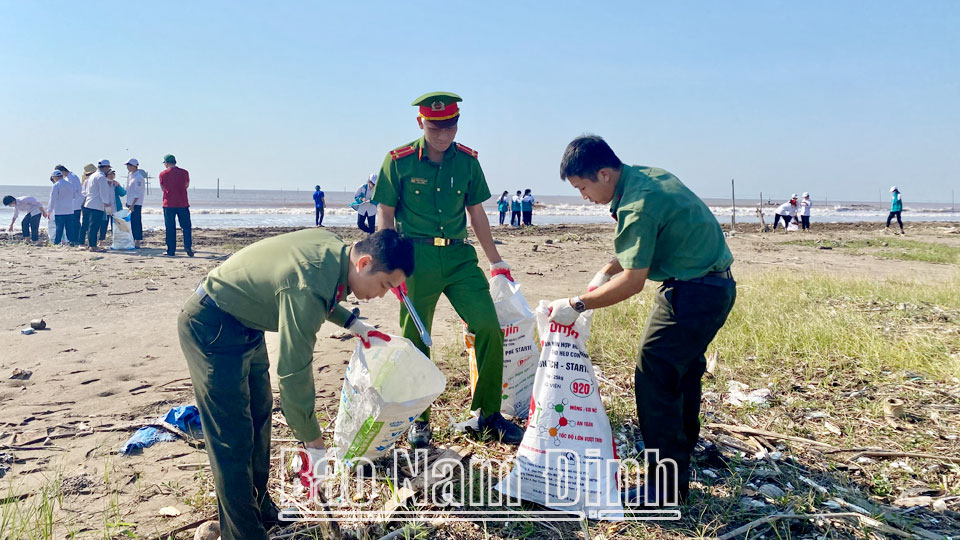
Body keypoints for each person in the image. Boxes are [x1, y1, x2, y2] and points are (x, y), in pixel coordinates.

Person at [178, 229, 413, 540]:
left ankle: (260, 506)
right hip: (212, 323)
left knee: (260, 416)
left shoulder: (336, 252)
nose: (382, 294)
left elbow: (321, 294)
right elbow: (293, 371)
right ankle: (244, 534)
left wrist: (354, 324)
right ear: (365, 262)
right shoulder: (310, 282)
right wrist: (312, 441)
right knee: (231, 438)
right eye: (385, 284)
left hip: (246, 323)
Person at [548, 135, 735, 505]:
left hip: (692, 293)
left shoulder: (636, 205)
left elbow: (633, 282)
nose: (583, 196)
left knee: (653, 375)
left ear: (604, 174)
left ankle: (664, 486)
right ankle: (680, 457)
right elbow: (644, 242)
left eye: (583, 187)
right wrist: (605, 269)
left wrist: (578, 304)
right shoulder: (648, 178)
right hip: (714, 287)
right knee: (681, 372)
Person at [372, 91, 523, 447]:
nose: (443, 133)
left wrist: (495, 261)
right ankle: (418, 420)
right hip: (416, 260)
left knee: (487, 326)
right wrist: (388, 262)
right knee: (416, 339)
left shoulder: (468, 162)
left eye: (451, 126)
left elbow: (477, 214)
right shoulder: (398, 161)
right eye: (436, 126)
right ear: (420, 122)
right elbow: (386, 213)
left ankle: (487, 414)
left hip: (459, 258)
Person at [159, 154, 193, 256]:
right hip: (182, 202)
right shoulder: (184, 172)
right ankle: (187, 246)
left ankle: (171, 250)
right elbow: (186, 185)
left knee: (170, 227)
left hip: (169, 203)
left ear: (166, 163)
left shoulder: (163, 174)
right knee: (186, 226)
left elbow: (162, 188)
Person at [81, 160, 114, 250]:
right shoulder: (101, 177)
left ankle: (91, 244)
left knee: (90, 226)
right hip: (97, 204)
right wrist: (107, 204)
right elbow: (103, 192)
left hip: (89, 203)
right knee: (94, 226)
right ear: (106, 167)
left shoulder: (92, 176)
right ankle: (93, 246)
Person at [47, 170, 78, 245]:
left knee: (59, 228)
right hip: (70, 210)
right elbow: (75, 196)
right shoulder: (71, 185)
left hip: (59, 210)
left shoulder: (56, 185)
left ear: (55, 177)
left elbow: (53, 199)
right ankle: (71, 242)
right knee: (69, 228)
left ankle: (57, 242)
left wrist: (49, 210)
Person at [55, 165, 84, 245]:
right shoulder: (68, 178)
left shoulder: (73, 177)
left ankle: (77, 240)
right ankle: (73, 240)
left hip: (76, 204)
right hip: (72, 204)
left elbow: (76, 191)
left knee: (75, 223)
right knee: (72, 223)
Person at [99, 170, 127, 241]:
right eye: (110, 174)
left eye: (113, 174)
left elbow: (123, 193)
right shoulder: (103, 183)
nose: (112, 176)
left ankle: (116, 241)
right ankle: (101, 241)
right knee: (103, 225)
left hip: (115, 208)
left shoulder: (115, 184)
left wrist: (118, 186)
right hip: (105, 208)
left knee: (115, 226)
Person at [125, 159, 146, 248]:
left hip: (136, 203)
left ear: (134, 166)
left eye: (129, 165)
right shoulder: (130, 175)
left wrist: (133, 204)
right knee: (131, 222)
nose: (127, 167)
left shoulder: (139, 177)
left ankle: (137, 241)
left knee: (136, 221)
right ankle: (132, 240)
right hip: (130, 202)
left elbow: (138, 193)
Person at [77, 163, 97, 243]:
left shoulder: (86, 180)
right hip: (89, 201)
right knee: (89, 223)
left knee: (85, 223)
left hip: (85, 202)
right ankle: (86, 241)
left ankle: (81, 241)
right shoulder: (91, 180)